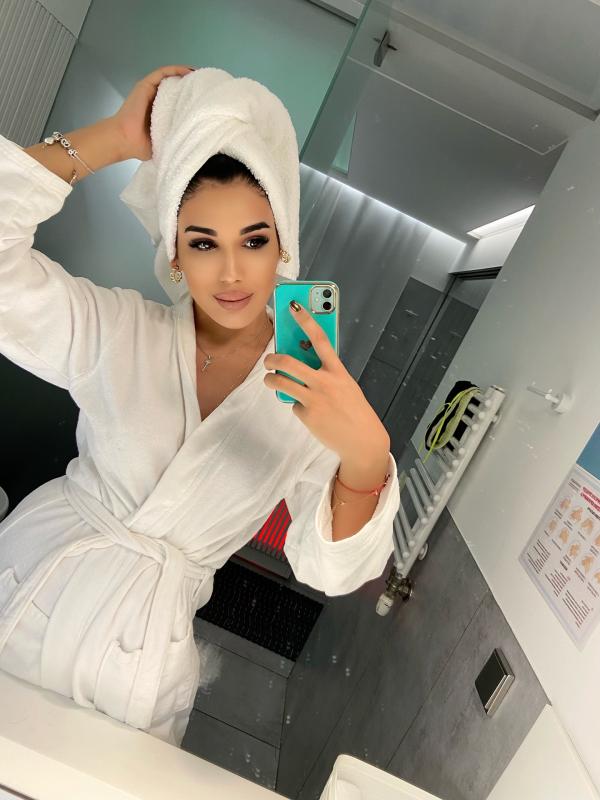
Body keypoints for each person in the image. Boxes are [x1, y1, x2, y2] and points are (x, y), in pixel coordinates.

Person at [0, 65, 400, 747]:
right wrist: (114, 138)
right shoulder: (119, 331)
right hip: (30, 580)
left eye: (254, 240)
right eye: (204, 243)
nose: (233, 272)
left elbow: (329, 569)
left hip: (141, 654)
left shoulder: (312, 392)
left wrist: (366, 458)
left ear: (283, 249)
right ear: (176, 255)